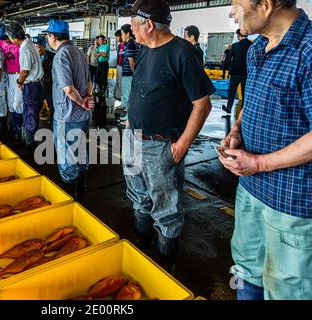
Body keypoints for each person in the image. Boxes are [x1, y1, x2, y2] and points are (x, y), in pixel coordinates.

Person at [220, 0, 312, 300]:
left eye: (235, 4)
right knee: (245, 273)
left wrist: (258, 163)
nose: (231, 12)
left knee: (286, 289)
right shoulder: (258, 47)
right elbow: (253, 99)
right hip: (250, 191)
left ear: (266, 5)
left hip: (291, 204)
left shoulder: (308, 51)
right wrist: (236, 130)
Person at [120, 0, 214, 272]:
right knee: (138, 196)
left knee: (165, 209)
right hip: (133, 138)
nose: (131, 31)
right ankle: (143, 254)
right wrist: (131, 119)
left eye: (134, 25)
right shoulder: (145, 50)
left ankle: (163, 269)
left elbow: (202, 104)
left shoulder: (183, 53)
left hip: (161, 145)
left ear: (148, 25)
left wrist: (182, 145)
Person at [44, 19, 94, 198]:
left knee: (67, 157)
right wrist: (88, 99)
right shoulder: (79, 52)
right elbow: (89, 81)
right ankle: (82, 189)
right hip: (83, 116)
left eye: (48, 36)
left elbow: (68, 88)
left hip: (67, 115)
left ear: (53, 37)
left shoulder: (61, 55)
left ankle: (70, 197)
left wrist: (80, 101)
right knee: (80, 151)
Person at [5, 22, 44, 150]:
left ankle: (31, 147)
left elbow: (25, 71)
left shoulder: (25, 48)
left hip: (32, 86)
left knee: (31, 116)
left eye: (10, 38)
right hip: (33, 85)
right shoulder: (28, 45)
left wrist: (19, 82)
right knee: (28, 114)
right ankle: (27, 142)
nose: (9, 40)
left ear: (14, 37)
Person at [0, 25, 24, 142]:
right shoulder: (1, 43)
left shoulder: (19, 44)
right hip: (8, 75)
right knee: (10, 105)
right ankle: (14, 130)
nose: (6, 40)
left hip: (18, 75)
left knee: (18, 103)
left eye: (7, 37)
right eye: (4, 38)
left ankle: (20, 130)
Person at [222, 29, 252, 113]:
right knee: (244, 93)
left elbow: (229, 59)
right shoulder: (251, 45)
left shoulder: (235, 46)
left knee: (232, 92)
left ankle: (229, 108)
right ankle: (244, 111)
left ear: (239, 35)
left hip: (235, 72)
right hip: (246, 73)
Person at [32, 35, 56, 129]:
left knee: (53, 109)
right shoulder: (31, 57)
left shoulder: (52, 56)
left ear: (44, 46)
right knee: (35, 110)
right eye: (34, 46)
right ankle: (36, 130)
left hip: (50, 87)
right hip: (36, 88)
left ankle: (52, 129)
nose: (36, 48)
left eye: (38, 46)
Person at [119, 24, 138, 124]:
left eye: (122, 34)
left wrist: (135, 74)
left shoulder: (130, 44)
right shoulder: (130, 43)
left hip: (129, 74)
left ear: (127, 34)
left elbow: (131, 62)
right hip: (128, 74)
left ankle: (129, 119)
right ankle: (129, 118)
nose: (122, 36)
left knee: (128, 95)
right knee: (128, 95)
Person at [94, 35, 110, 128]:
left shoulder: (106, 46)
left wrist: (100, 54)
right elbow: (96, 55)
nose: (99, 41)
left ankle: (103, 88)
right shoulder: (99, 47)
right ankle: (99, 88)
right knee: (98, 77)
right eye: (98, 40)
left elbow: (105, 55)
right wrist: (101, 53)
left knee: (103, 77)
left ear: (104, 40)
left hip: (104, 63)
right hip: (99, 63)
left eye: (100, 40)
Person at [114, 30, 124, 102]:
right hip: (119, 66)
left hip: (124, 67)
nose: (116, 39)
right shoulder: (119, 45)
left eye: (117, 37)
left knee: (124, 85)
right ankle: (120, 98)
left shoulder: (127, 44)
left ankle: (124, 101)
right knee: (119, 83)